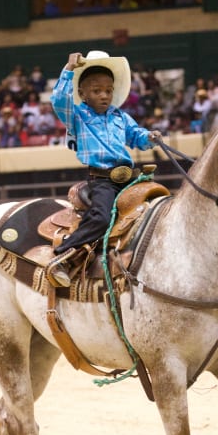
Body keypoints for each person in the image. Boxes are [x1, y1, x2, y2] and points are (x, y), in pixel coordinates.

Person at [46, 50, 162, 288]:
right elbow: (58, 100)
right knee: (100, 217)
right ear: (82, 94)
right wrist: (68, 71)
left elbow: (136, 136)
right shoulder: (77, 116)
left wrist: (149, 137)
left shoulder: (121, 117)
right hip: (102, 180)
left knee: (159, 207)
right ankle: (64, 254)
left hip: (129, 178)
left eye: (108, 90)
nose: (104, 95)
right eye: (97, 90)